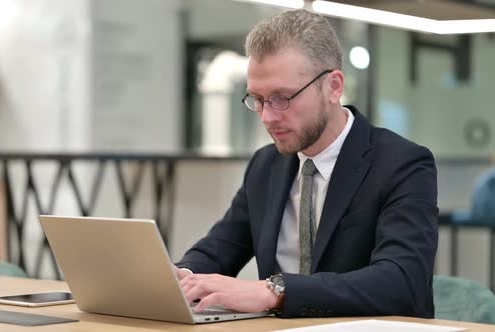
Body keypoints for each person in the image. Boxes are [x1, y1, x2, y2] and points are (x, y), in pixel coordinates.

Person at [174, 9, 438, 319]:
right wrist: (179, 277)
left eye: (282, 97)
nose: (267, 117)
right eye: (257, 99)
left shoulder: (403, 164)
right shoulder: (266, 165)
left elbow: (400, 283)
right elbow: (218, 249)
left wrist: (272, 291)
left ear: (333, 87)